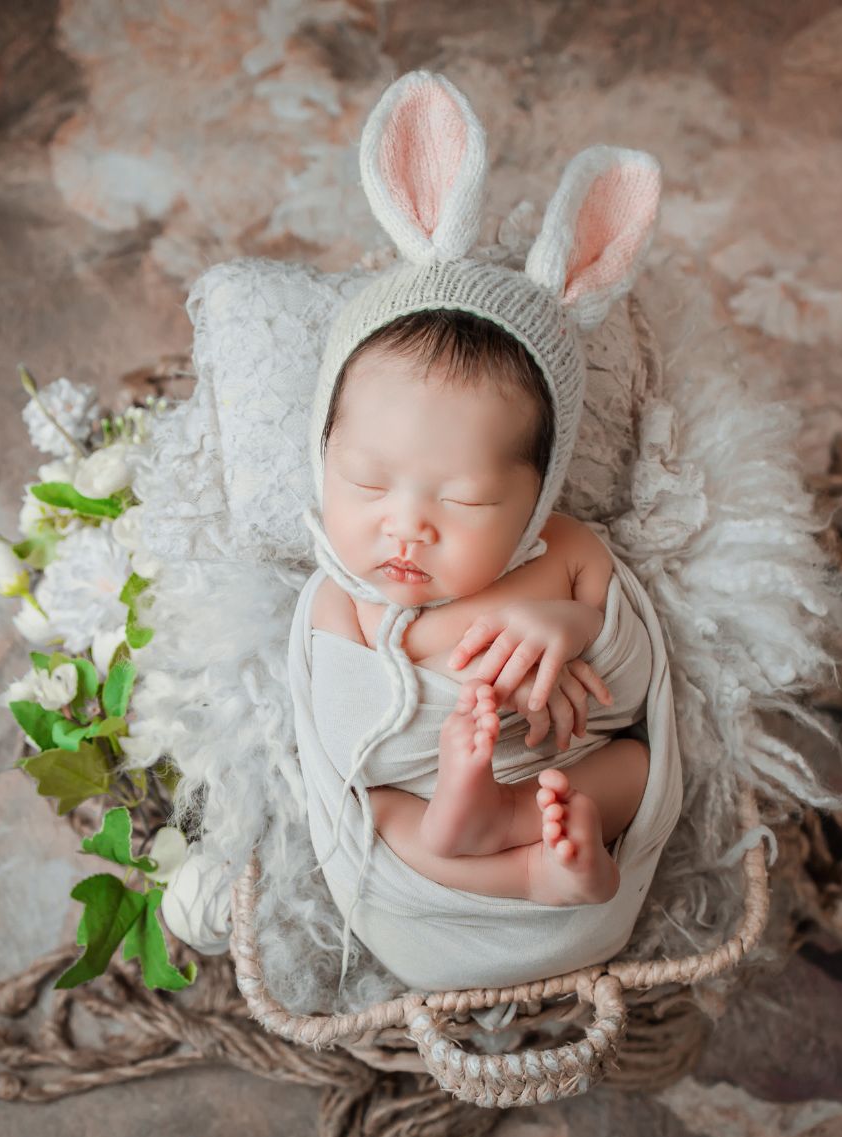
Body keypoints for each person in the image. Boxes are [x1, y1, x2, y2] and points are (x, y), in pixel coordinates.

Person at [286, 68, 683, 992]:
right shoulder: (341, 598)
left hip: (562, 783)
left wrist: (570, 630)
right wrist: (437, 721)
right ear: (322, 454)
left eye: (463, 502)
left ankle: (520, 835)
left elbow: (636, 682)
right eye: (366, 481)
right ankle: (510, 856)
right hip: (429, 845)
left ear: (537, 502)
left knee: (629, 762)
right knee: (380, 811)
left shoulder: (568, 556)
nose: (406, 527)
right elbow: (338, 746)